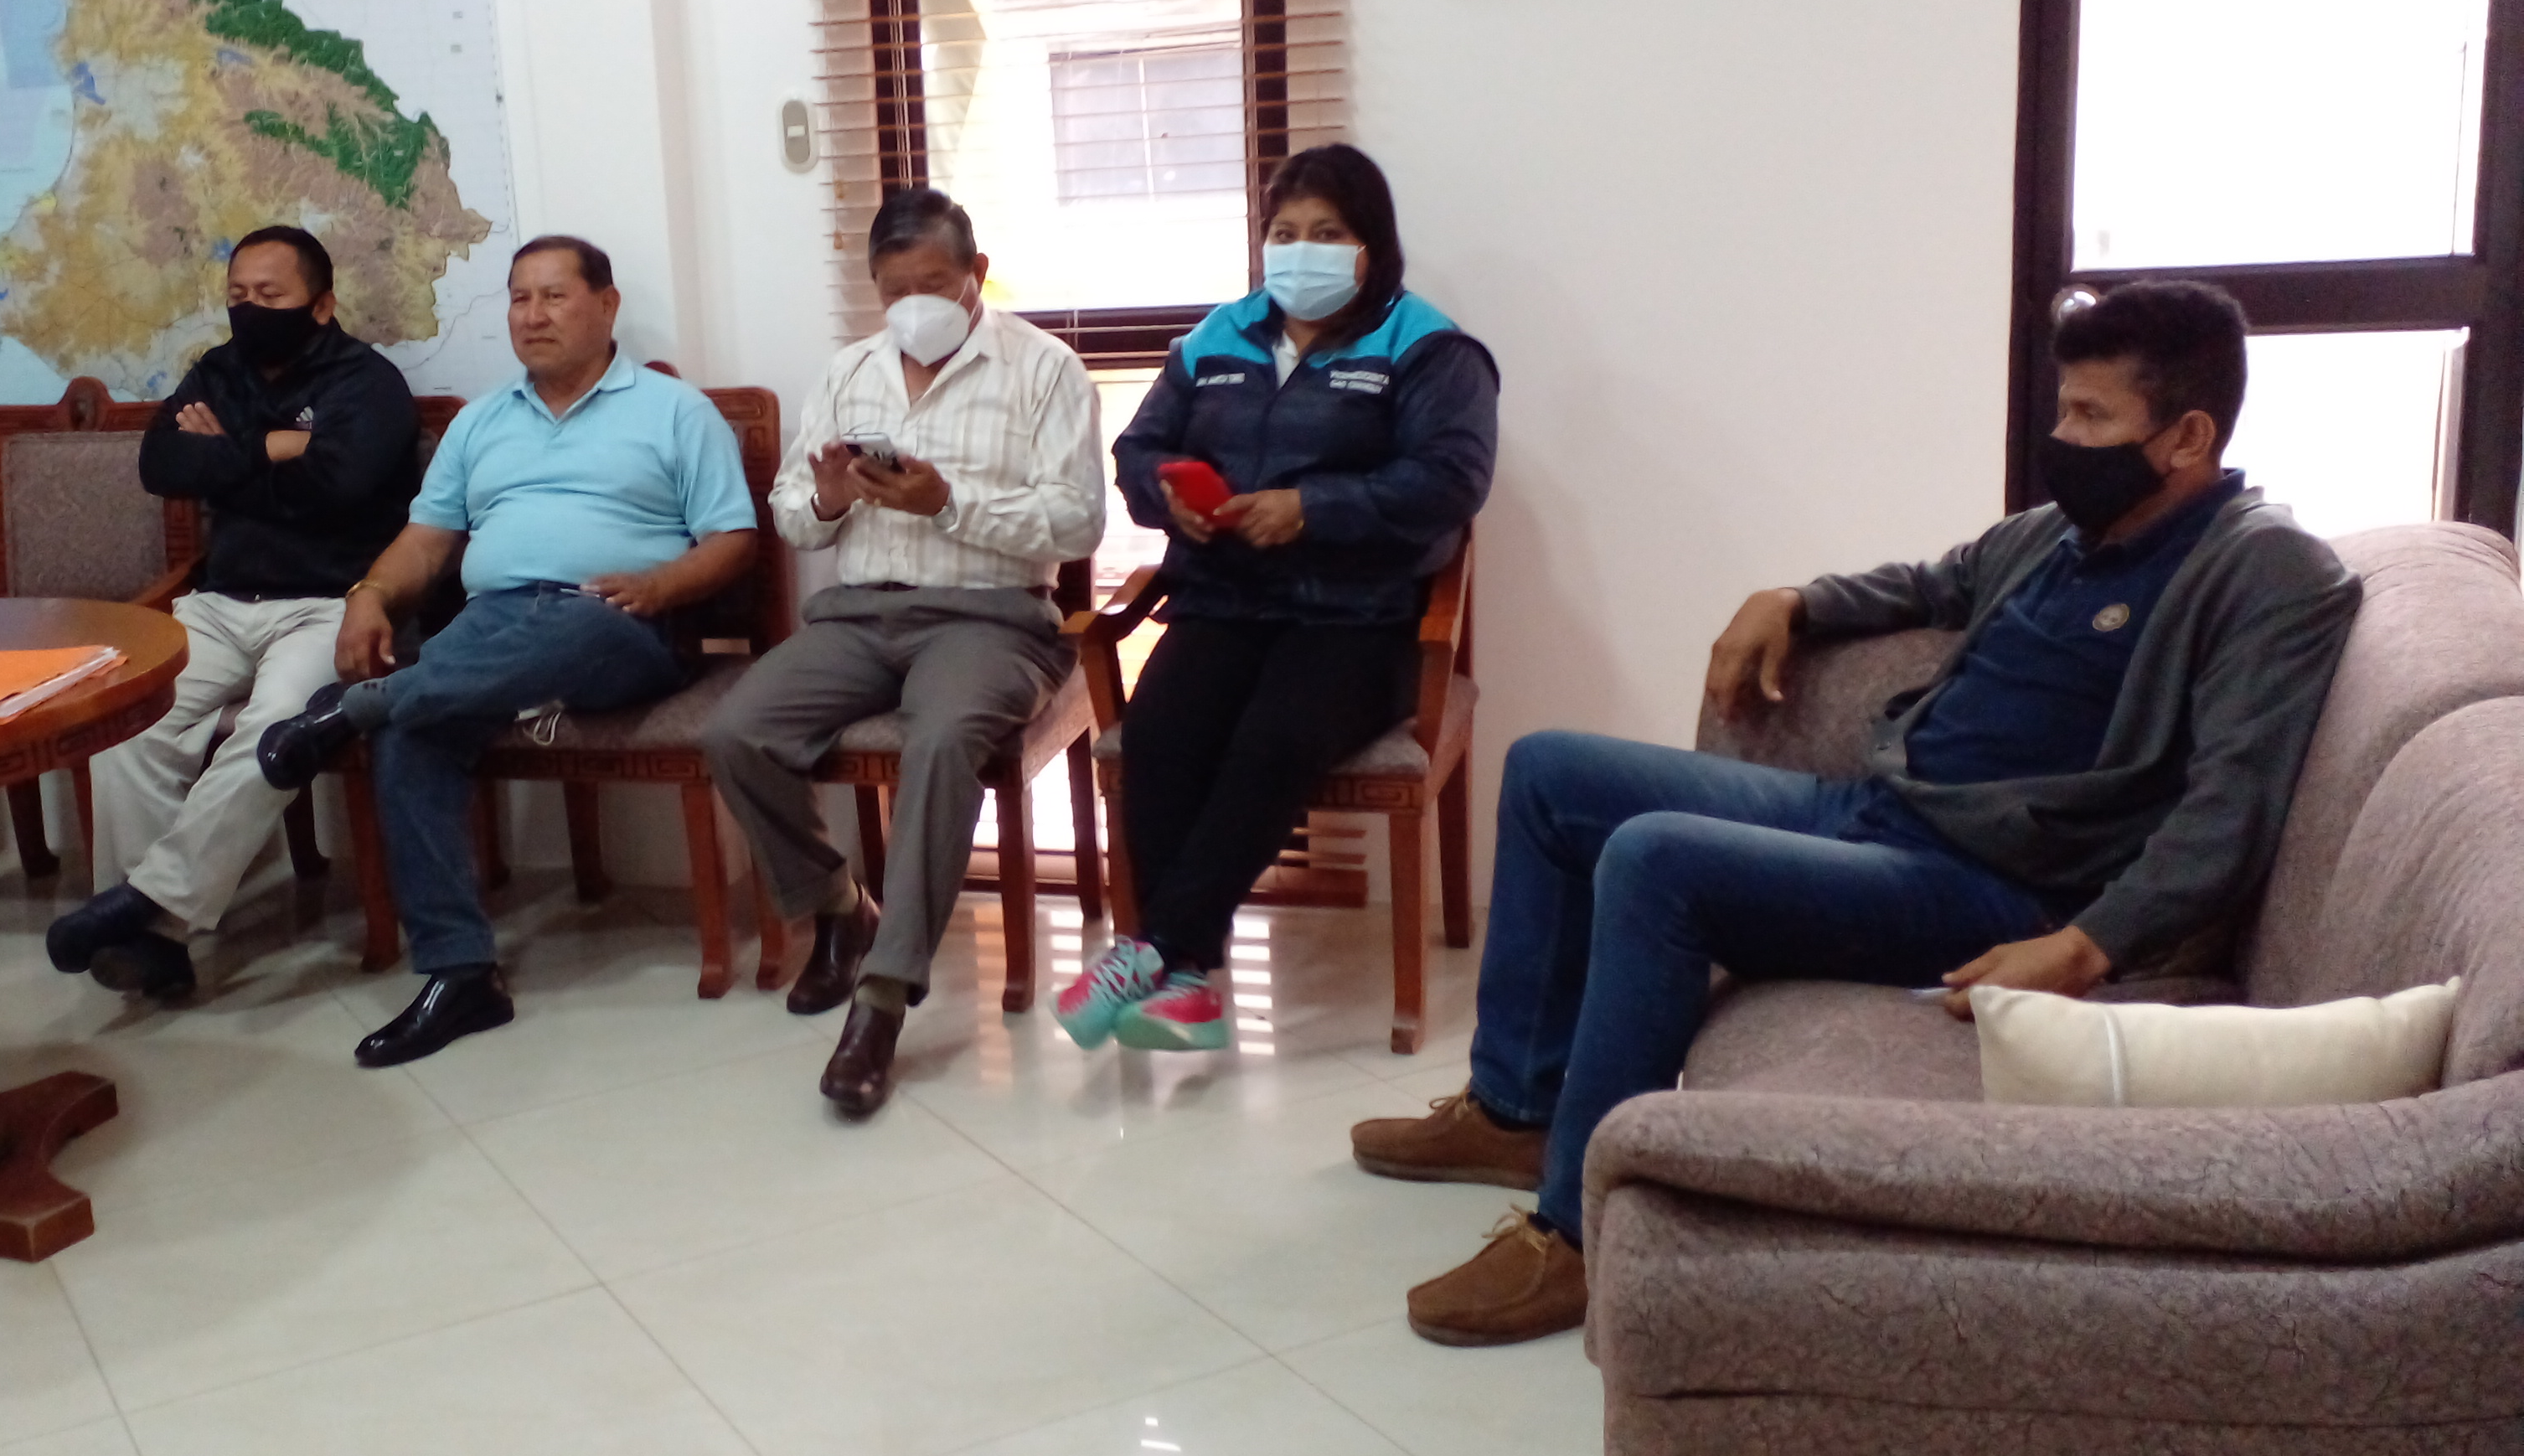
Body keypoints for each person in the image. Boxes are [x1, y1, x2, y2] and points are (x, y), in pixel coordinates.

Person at [1350, 280, 2359, 1349]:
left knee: (1654, 861)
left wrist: (2080, 946)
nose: (2062, 439)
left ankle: (1580, 1232)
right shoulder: (2056, 535)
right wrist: (1792, 598)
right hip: (1874, 809)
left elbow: (2230, 808)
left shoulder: (2266, 573)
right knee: (1550, 769)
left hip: (1988, 886)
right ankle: (1517, 1109)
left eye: (2090, 416)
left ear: (2188, 436)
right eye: (2061, 408)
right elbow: (1928, 584)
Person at [256, 235, 759, 1066]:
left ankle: (352, 709)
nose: (533, 315)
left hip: (622, 623)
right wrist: (369, 597)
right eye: (520, 298)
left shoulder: (675, 411)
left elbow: (733, 540)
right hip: (490, 625)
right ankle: (461, 974)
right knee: (412, 729)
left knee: (577, 621)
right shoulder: (480, 422)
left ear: (607, 305)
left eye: (554, 296)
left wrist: (660, 585)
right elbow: (425, 541)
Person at [1059, 143, 1498, 1055]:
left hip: (1361, 616)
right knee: (1161, 733)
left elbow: (1451, 480)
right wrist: (1167, 495)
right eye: (1285, 232)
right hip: (1223, 600)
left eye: (1327, 233)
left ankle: (1157, 954)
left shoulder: (1429, 347)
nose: (1302, 251)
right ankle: (1188, 983)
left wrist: (1310, 509)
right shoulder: (1217, 338)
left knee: (1273, 740)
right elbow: (1139, 450)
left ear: (1370, 245)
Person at [700, 188, 1104, 1117]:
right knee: (736, 732)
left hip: (991, 618)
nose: (914, 302)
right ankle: (840, 909)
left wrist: (947, 504)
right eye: (894, 288)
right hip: (858, 616)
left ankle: (882, 997)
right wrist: (832, 497)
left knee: (942, 739)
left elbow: (1078, 520)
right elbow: (795, 516)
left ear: (976, 274)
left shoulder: (1045, 368)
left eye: (934, 282)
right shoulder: (850, 372)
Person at [47, 225, 421, 1000]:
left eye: (271, 295)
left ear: (322, 305)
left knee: (280, 726)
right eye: (238, 295)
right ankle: (155, 938)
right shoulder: (217, 370)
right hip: (220, 603)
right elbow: (162, 464)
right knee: (128, 721)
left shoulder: (369, 385)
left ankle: (148, 909)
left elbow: (340, 485)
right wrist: (278, 447)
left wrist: (227, 455)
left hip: (330, 605)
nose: (251, 309)